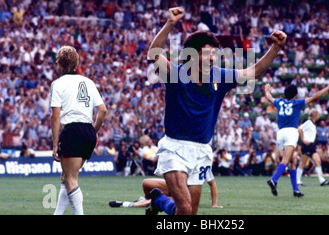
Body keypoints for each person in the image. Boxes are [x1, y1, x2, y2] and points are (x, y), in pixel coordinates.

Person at [146, 7, 287, 215]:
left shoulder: (220, 76)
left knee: (188, 212)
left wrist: (276, 47)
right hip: (174, 147)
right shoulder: (176, 73)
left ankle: (159, 201)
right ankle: (160, 201)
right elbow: (154, 54)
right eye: (207, 53)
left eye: (215, 53)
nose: (213, 57)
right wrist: (170, 24)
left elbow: (254, 72)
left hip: (202, 149)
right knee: (184, 206)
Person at [50, 46, 107, 215]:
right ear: (76, 62)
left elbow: (55, 116)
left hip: (72, 131)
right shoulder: (88, 82)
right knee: (66, 177)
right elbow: (102, 110)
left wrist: (54, 145)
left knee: (71, 179)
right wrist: (94, 131)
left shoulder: (58, 84)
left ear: (59, 63)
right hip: (88, 131)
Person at [264, 78, 329, 198]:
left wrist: (267, 90)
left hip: (280, 133)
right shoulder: (297, 103)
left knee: (293, 160)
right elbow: (316, 95)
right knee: (287, 160)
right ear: (295, 95)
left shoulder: (279, 102)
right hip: (291, 132)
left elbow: (269, 97)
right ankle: (273, 180)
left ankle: (296, 190)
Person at [109, 175, 223, 210]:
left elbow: (212, 183)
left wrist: (214, 204)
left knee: (156, 201)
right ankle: (145, 200)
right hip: (172, 185)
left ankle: (127, 204)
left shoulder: (203, 163)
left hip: (184, 193)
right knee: (146, 183)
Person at [296, 109, 329, 186]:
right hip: (307, 145)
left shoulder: (313, 124)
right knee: (302, 163)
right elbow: (299, 129)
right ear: (315, 115)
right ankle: (297, 181)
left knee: (317, 161)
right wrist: (303, 140)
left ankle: (322, 180)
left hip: (312, 145)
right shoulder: (308, 122)